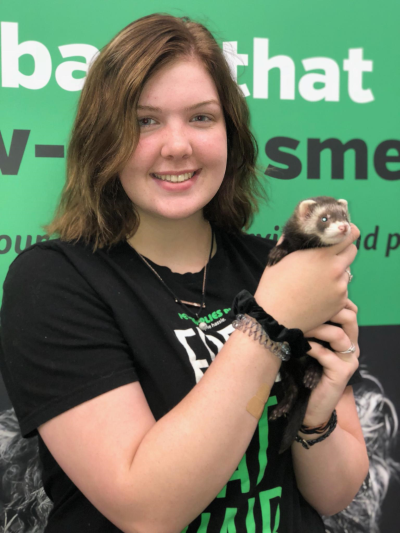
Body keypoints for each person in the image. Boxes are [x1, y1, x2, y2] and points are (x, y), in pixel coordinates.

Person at [0, 13, 368, 533]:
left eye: (201, 117)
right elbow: (147, 511)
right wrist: (271, 321)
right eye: (145, 121)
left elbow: (334, 494)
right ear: (102, 138)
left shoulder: (279, 266)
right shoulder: (54, 283)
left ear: (229, 133)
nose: (177, 146)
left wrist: (317, 413)